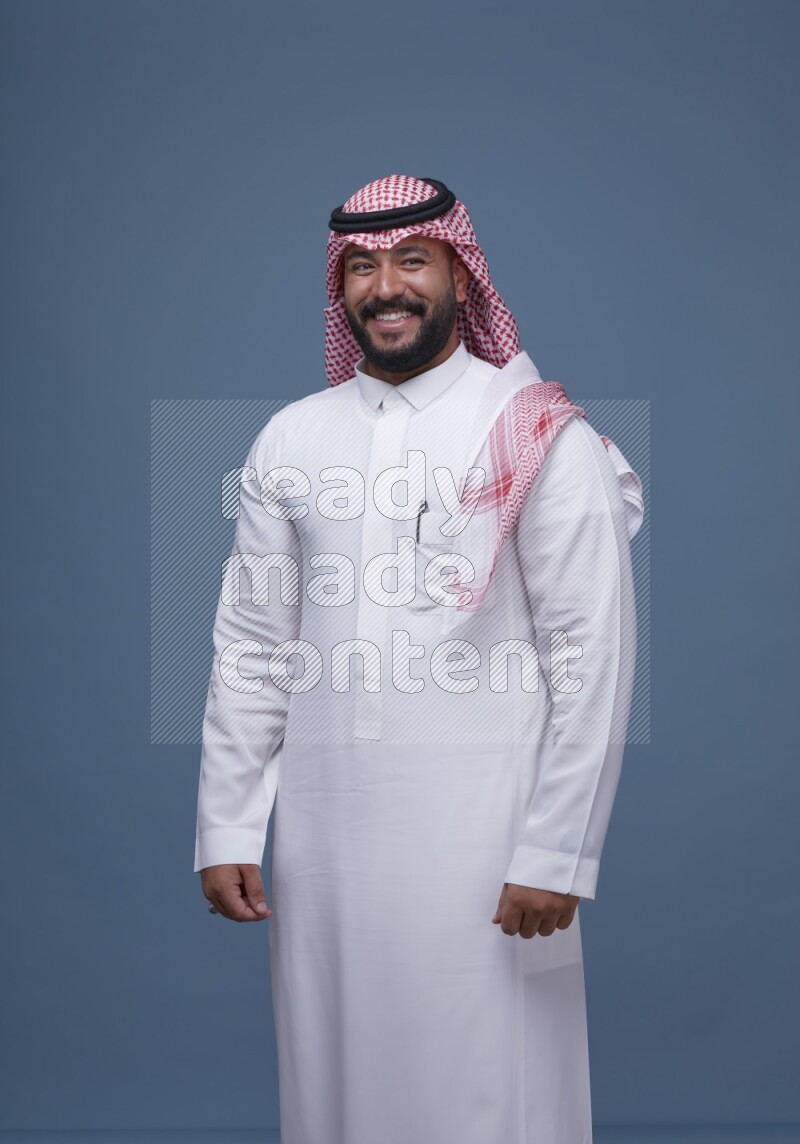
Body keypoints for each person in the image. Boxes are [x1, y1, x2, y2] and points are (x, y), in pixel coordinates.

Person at [194, 174, 644, 1144]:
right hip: (323, 843)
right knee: (335, 1084)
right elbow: (254, 646)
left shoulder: (536, 432)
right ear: (339, 286)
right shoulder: (291, 437)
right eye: (361, 267)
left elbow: (590, 655)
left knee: (488, 1088)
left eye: (411, 260)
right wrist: (227, 822)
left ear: (459, 273)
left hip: (488, 838)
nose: (385, 286)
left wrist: (557, 847)